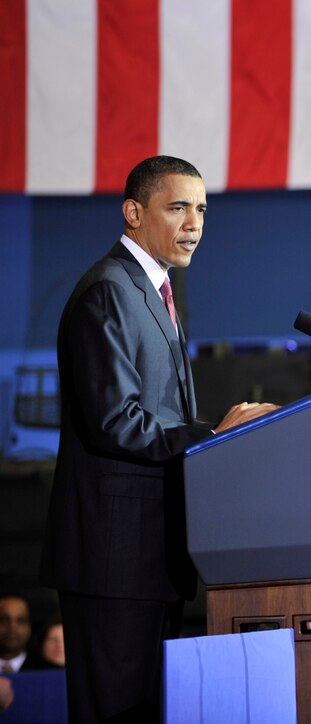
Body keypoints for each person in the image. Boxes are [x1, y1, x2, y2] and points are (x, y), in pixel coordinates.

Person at [38, 155, 278, 722]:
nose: (194, 223)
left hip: (150, 558)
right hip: (114, 557)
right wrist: (213, 435)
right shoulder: (109, 291)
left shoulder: (152, 291)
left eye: (201, 209)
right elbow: (115, 421)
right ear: (133, 212)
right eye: (178, 207)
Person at [0, 595, 31, 673]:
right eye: (4, 620)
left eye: (20, 620)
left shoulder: (47, 670)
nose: (12, 627)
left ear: (29, 628)